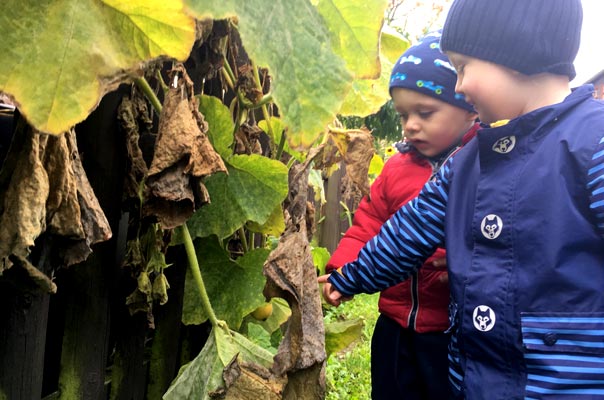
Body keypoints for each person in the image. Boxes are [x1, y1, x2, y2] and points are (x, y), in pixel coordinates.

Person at [319, 0, 604, 398]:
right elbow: (408, 231)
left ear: (514, 51)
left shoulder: (594, 142)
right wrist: (350, 277)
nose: (458, 86)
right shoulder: (467, 160)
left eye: (463, 67)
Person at [324, 32, 478, 400]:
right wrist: (344, 266)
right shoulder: (397, 168)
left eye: (425, 113)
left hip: (450, 331)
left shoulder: (481, 168)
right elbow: (369, 223)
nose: (410, 125)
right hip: (394, 322)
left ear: (470, 107)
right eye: (404, 115)